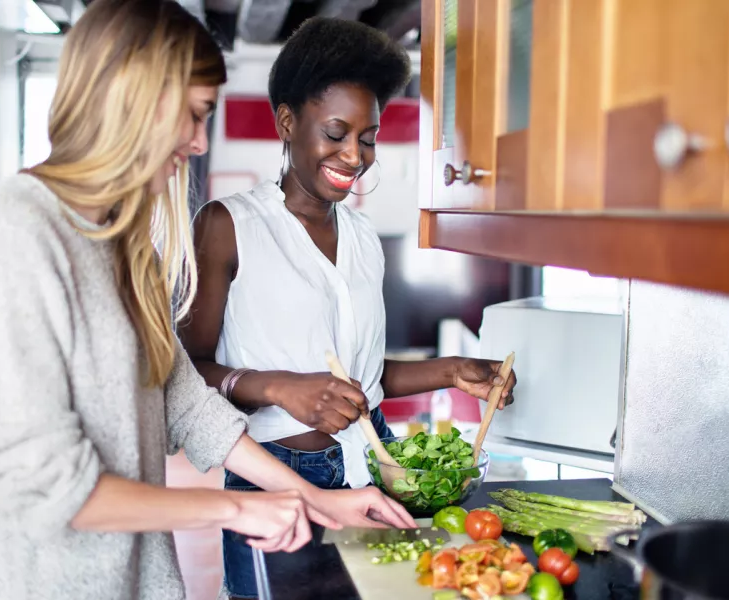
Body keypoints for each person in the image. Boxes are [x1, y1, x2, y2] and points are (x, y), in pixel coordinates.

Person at [0, 3, 415, 600]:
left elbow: (181, 398)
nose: (197, 144)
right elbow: (44, 487)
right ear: (128, 99)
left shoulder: (121, 241)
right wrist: (234, 511)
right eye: (191, 117)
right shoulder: (15, 234)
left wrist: (311, 497)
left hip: (143, 582)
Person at [179, 17, 518, 600]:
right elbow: (185, 374)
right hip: (277, 480)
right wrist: (280, 387)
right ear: (287, 122)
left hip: (371, 464)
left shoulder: (362, 238)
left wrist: (451, 371)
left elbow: (358, 380)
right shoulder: (228, 226)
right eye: (336, 132)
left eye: (367, 138)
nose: (354, 156)